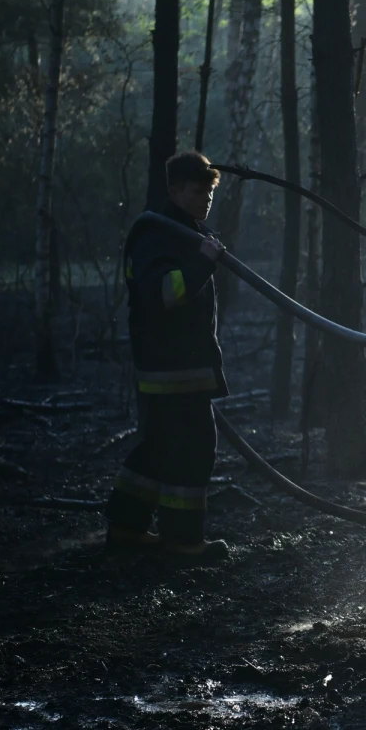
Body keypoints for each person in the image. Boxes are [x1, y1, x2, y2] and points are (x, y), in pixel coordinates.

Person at [104, 151, 230, 563]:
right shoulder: (158, 235)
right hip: (175, 369)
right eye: (198, 191)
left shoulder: (183, 231)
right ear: (174, 190)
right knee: (195, 449)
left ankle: (127, 526)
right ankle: (183, 539)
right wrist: (202, 264)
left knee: (158, 448)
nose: (206, 200)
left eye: (209, 192)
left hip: (174, 367)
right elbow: (165, 295)